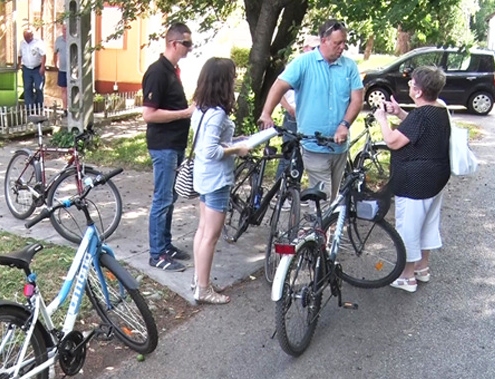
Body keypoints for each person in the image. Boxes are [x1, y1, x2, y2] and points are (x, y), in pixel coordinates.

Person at [259, 20, 364, 205]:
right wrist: (267, 113)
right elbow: (279, 86)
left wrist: (344, 124)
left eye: (344, 43)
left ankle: (319, 230)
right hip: (314, 145)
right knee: (322, 201)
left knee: (331, 198)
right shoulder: (303, 63)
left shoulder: (349, 66)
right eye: (337, 43)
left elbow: (357, 99)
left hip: (340, 146)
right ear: (323, 40)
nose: (342, 48)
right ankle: (318, 230)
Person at [373, 66, 451, 293]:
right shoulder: (439, 110)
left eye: (411, 83)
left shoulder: (421, 115)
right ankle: (421, 268)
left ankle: (406, 277)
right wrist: (399, 113)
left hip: (415, 182)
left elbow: (393, 142)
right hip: (436, 179)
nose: (408, 85)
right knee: (427, 223)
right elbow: (421, 128)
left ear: (418, 92)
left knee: (408, 226)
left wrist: (382, 119)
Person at [190, 58, 251, 304]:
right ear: (223, 82)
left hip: (204, 177)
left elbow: (210, 143)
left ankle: (199, 280)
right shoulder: (216, 114)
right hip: (215, 180)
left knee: (203, 230)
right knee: (210, 235)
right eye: (232, 77)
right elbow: (211, 151)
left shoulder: (201, 109)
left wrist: (235, 141)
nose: (235, 81)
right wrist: (237, 150)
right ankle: (203, 289)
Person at [142, 23, 196, 272]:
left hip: (175, 145)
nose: (190, 48)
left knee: (170, 198)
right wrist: (184, 113)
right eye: (187, 43)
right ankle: (156, 254)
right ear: (173, 43)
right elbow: (149, 115)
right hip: (163, 147)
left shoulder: (172, 71)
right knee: (162, 199)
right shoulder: (157, 72)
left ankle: (166, 245)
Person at [274, 35, 321, 184]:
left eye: (318, 48)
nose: (315, 51)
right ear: (305, 48)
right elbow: (277, 90)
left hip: (308, 117)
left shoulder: (319, 67)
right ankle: (279, 190)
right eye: (313, 48)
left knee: (301, 155)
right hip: (293, 116)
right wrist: (289, 108)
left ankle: (294, 189)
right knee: (289, 155)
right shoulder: (296, 65)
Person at [18, 28, 47, 111]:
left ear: (32, 36)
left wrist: (42, 66)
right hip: (26, 69)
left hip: (37, 69)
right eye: (25, 37)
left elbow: (43, 55)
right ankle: (29, 108)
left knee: (39, 88)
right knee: (27, 88)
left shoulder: (38, 42)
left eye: (28, 37)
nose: (26, 39)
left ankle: (39, 107)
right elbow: (19, 55)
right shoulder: (22, 43)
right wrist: (19, 64)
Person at [54, 23, 68, 116]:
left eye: (66, 29)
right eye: (63, 29)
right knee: (63, 89)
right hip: (62, 69)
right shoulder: (58, 40)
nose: (65, 31)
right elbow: (55, 53)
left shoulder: (74, 39)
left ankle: (73, 108)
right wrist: (55, 64)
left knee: (72, 89)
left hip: (73, 70)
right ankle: (65, 109)